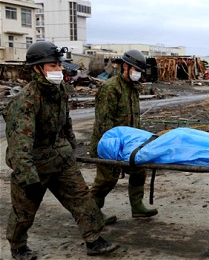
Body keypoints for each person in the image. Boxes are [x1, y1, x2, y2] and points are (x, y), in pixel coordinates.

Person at [2, 41, 120, 260]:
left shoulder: (59, 90)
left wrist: (70, 148)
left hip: (61, 159)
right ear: (37, 69)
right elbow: (20, 142)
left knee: (83, 200)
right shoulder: (25, 101)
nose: (59, 69)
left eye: (59, 64)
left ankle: (93, 240)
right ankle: (18, 246)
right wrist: (27, 175)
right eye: (52, 66)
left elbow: (65, 123)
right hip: (34, 164)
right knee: (24, 213)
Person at [89, 49, 158, 225]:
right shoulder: (110, 88)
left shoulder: (133, 89)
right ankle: (92, 212)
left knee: (139, 171)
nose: (138, 74)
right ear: (125, 67)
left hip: (130, 144)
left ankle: (137, 206)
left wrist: (141, 143)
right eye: (136, 69)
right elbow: (104, 123)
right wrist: (112, 150)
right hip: (109, 145)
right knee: (106, 180)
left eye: (140, 71)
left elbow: (135, 119)